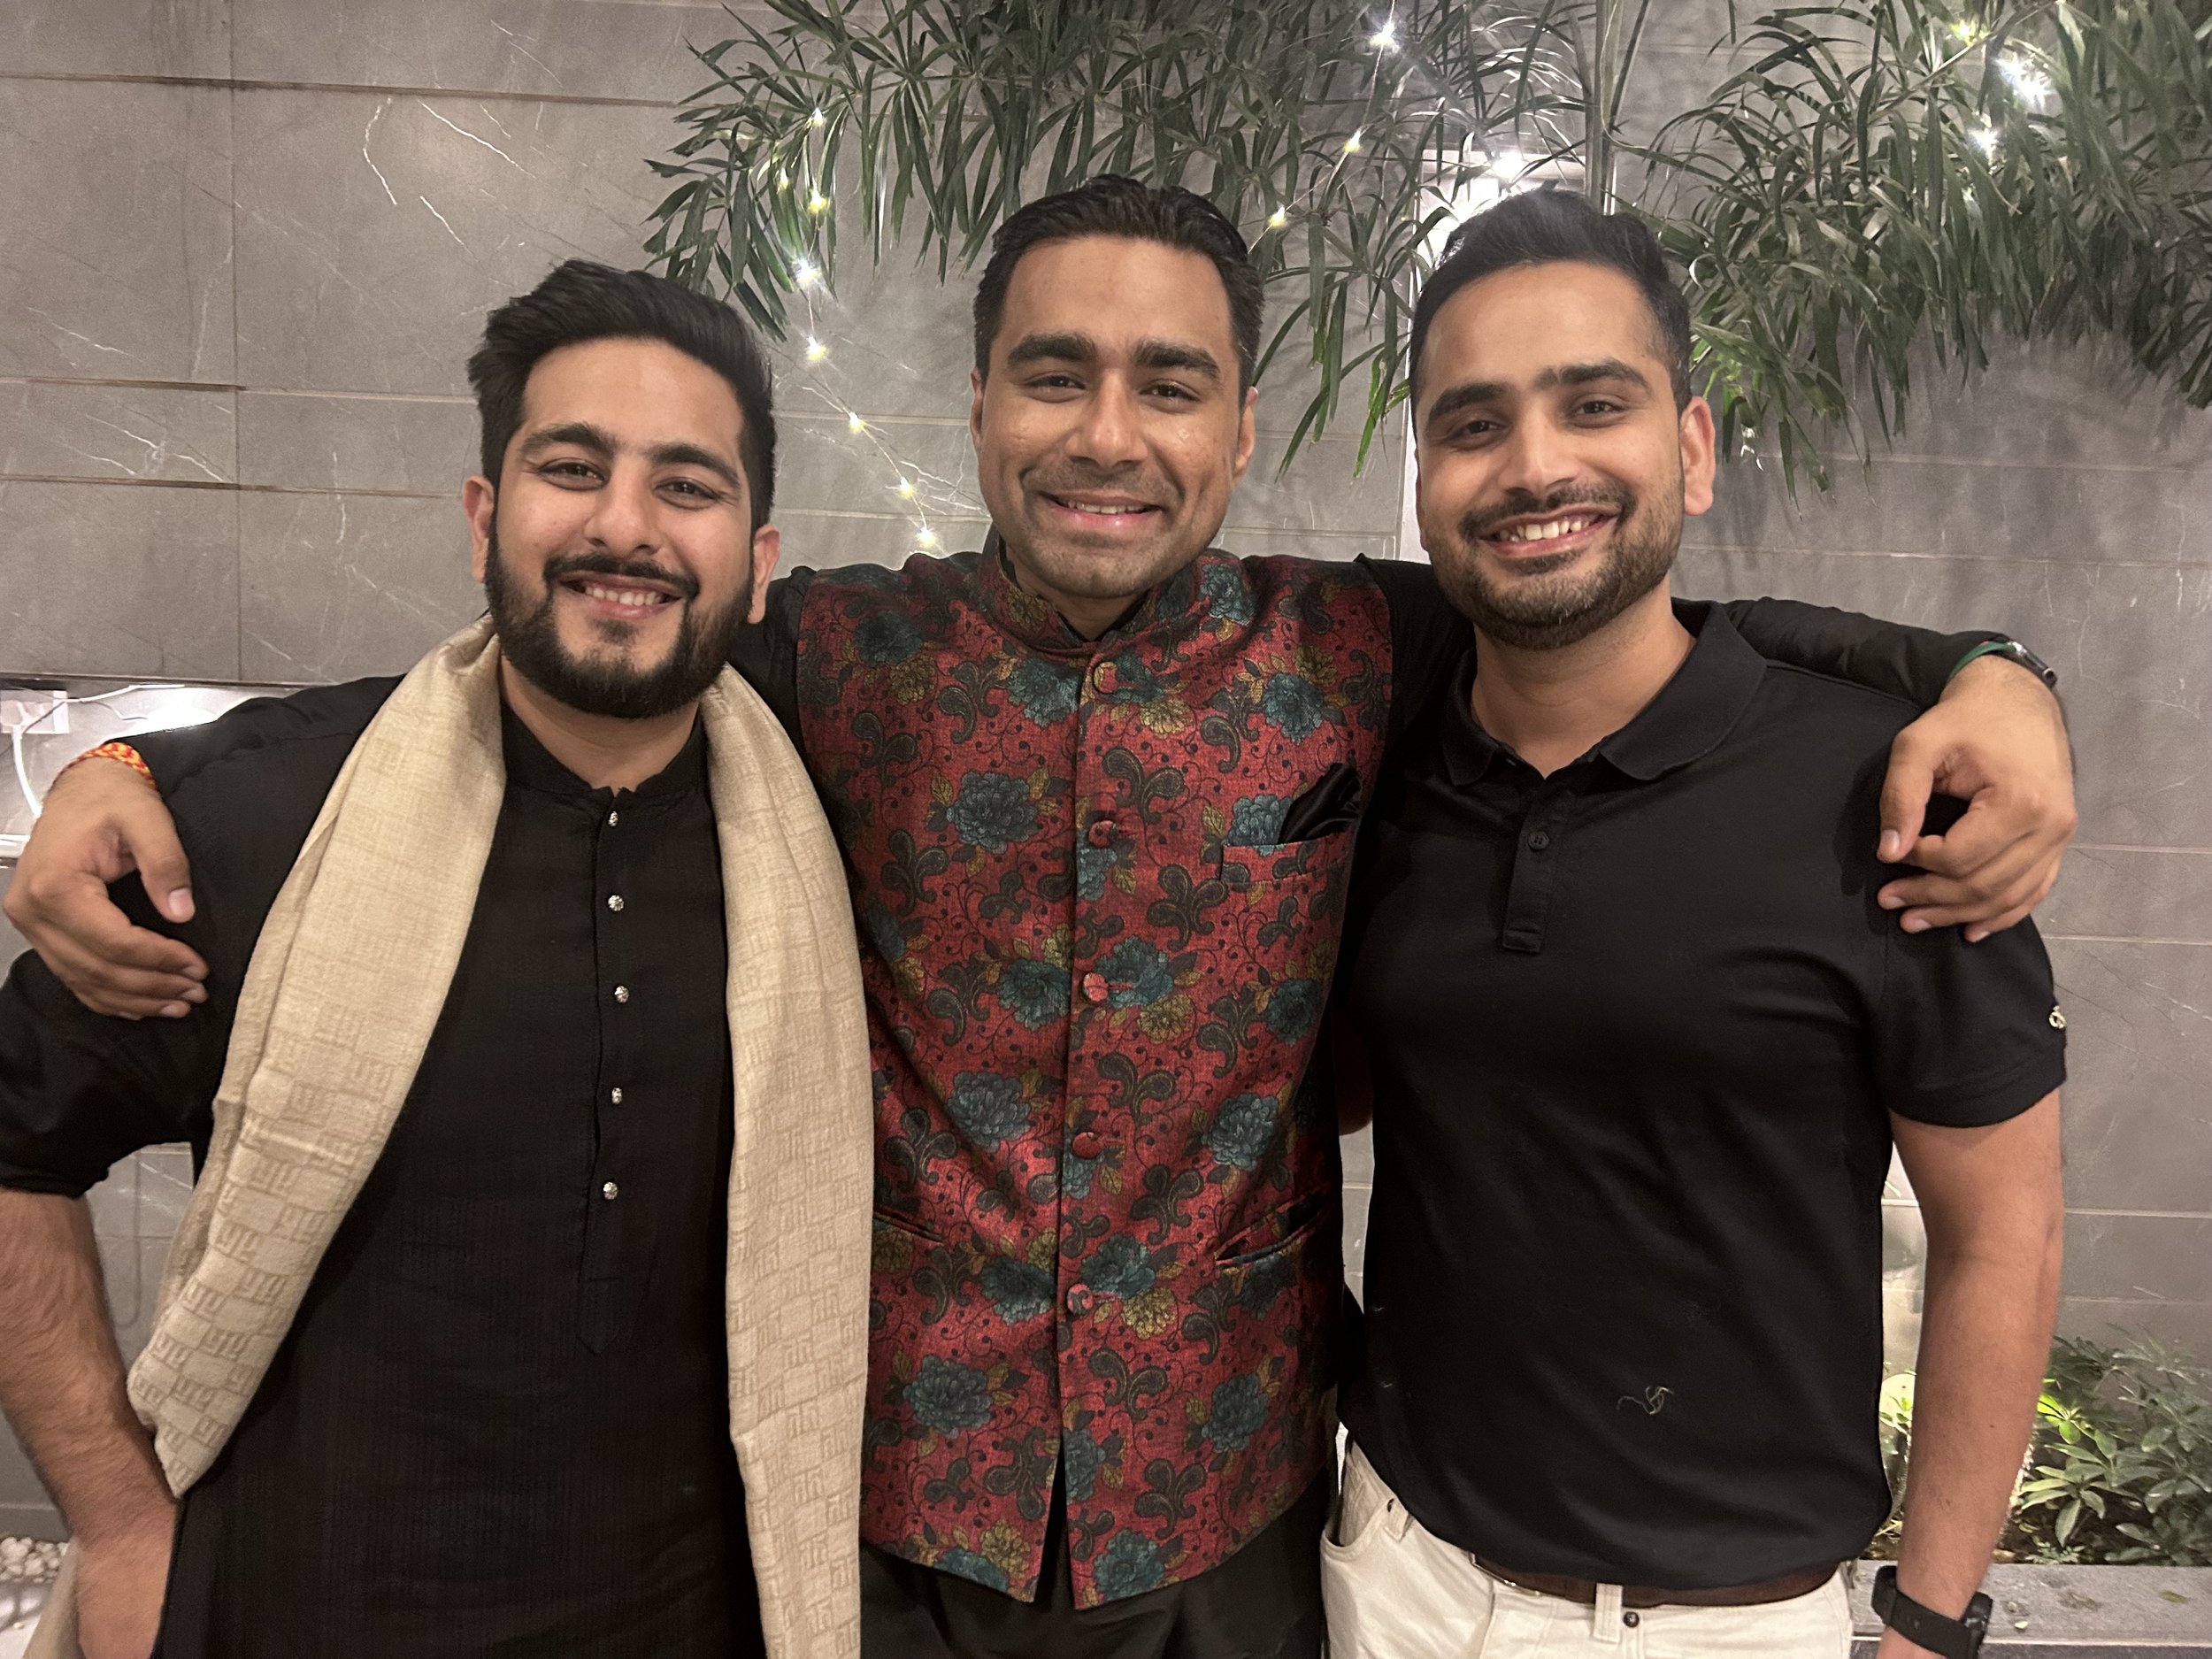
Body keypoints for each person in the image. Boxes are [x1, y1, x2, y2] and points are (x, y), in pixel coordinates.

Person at [5, 177, 2076, 1659]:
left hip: (1237, 1517)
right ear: (978, 406)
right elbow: (542, 659)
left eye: (1168, 383)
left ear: (1240, 427)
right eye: (1055, 375)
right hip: (894, 1513)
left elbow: (1643, 608)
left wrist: (1986, 661)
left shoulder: (1359, 645)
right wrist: (145, 770)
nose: (1108, 431)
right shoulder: (833, 654)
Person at [0, 263, 873, 1659]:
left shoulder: (831, 825)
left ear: (762, 561)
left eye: (688, 486)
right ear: (484, 518)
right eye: (572, 467)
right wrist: (116, 1520)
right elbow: (15, 1147)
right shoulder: (273, 822)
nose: (625, 526)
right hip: (294, 1609)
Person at [1322, 189, 2066, 1659]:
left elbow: (2007, 1234)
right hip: (1391, 1570)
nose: (1534, 465)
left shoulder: (1892, 787)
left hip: (1718, 1623)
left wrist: (1930, 1622)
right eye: (1473, 425)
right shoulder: (1378, 749)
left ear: (1692, 446)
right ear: (1422, 478)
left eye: (1593, 404)